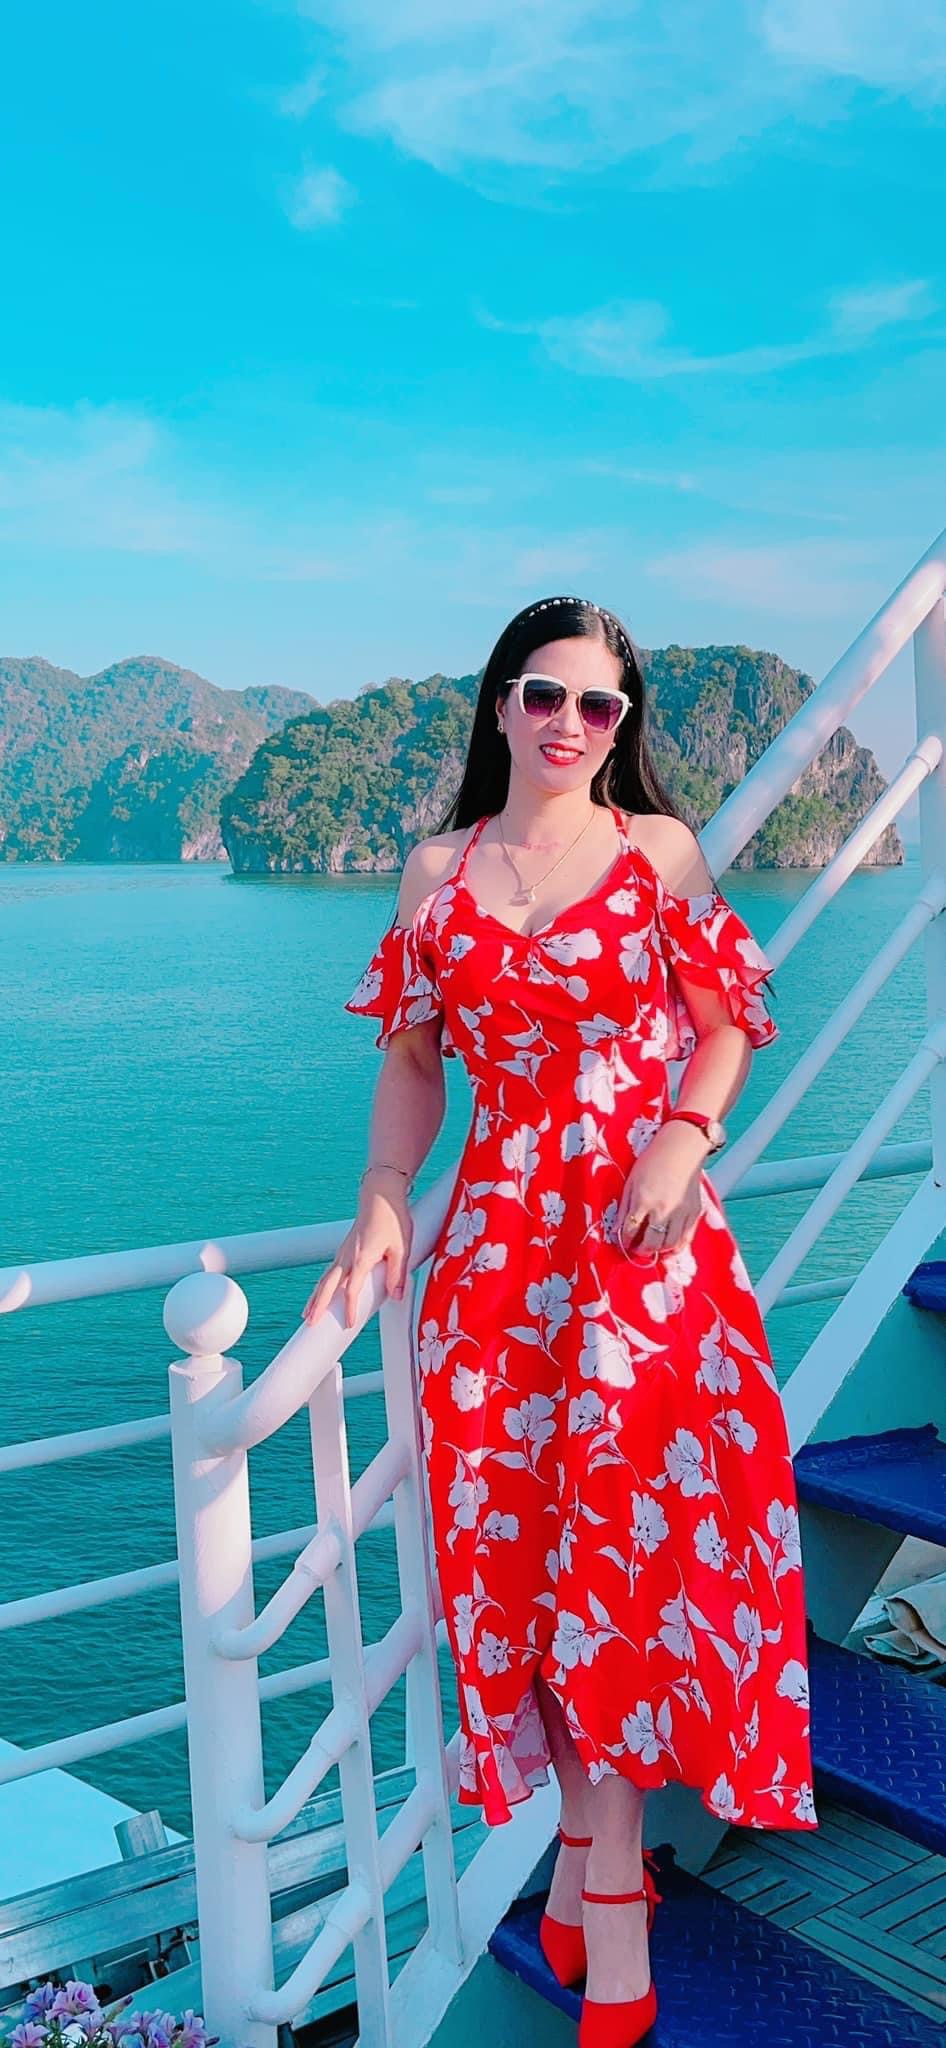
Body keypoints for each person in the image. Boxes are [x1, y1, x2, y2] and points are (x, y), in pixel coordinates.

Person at [304, 594, 816, 2048]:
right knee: (523, 1557)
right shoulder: (435, 869)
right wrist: (384, 1196)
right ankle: (599, 1862)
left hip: (642, 1256)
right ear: (500, 705)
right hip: (495, 1266)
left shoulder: (656, 850)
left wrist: (684, 1137)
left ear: (622, 726)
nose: (570, 724)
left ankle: (606, 1891)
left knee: (626, 1563)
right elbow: (414, 1062)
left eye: (600, 706)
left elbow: (724, 1017)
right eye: (545, 694)